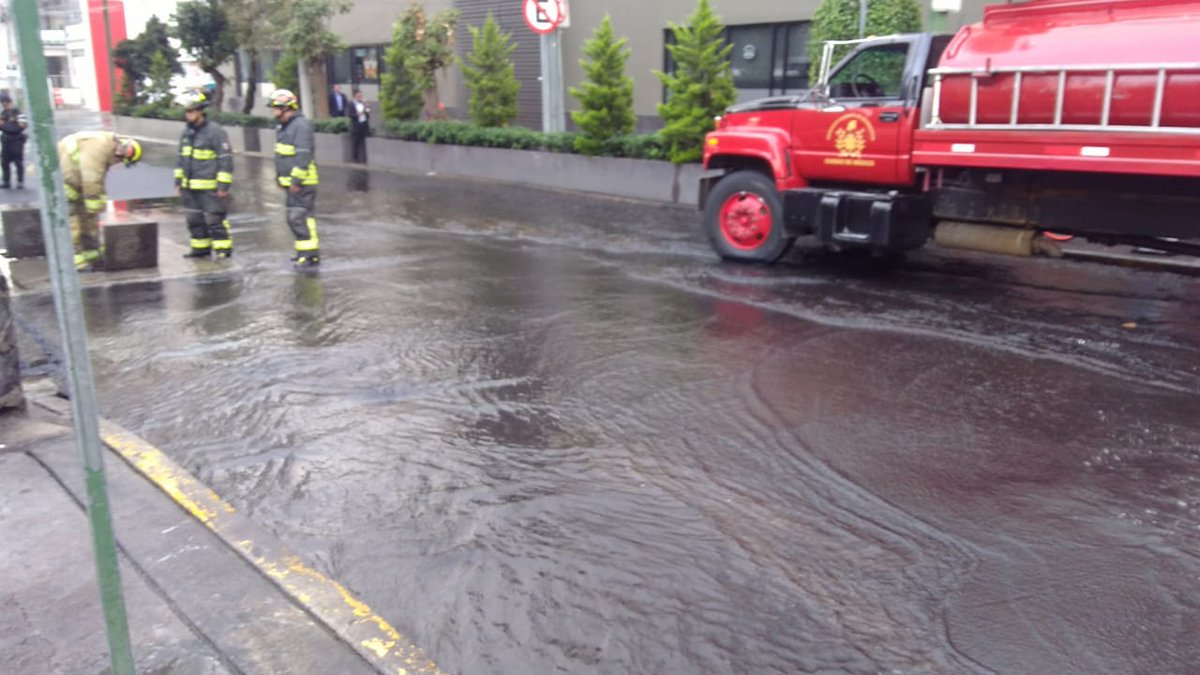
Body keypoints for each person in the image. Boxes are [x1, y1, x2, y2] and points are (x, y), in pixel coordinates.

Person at [56, 131, 142, 270]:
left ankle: (92, 253)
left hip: (75, 179)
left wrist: (95, 206)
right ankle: (74, 260)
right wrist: (94, 206)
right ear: (121, 152)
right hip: (62, 181)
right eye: (121, 159)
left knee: (88, 218)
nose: (118, 162)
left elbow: (96, 180)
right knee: (73, 221)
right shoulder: (100, 147)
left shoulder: (107, 146)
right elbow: (92, 178)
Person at [175, 91, 234, 259]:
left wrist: (223, 187)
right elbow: (181, 159)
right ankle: (200, 249)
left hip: (210, 187)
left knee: (214, 220)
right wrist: (178, 182)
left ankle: (223, 251)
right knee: (194, 220)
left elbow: (225, 159)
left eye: (191, 111)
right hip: (189, 188)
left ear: (200, 111)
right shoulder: (186, 133)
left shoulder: (215, 132)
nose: (188, 115)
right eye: (186, 111)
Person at [268, 89, 320, 267]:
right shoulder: (284, 126)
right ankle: (303, 252)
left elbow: (303, 155)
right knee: (297, 218)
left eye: (276, 108)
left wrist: (296, 180)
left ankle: (309, 255)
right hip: (292, 182)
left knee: (299, 217)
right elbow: (282, 156)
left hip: (303, 182)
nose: (273, 111)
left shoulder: (300, 126)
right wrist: (280, 177)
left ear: (286, 108)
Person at [0, 94, 26, 189]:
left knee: (18, 162)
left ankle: (20, 181)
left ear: (10, 102)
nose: (4, 105)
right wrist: (7, 126)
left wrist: (4, 125)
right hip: (6, 140)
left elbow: (20, 127)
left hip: (17, 140)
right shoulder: (3, 113)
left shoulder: (19, 113)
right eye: (2, 103)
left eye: (5, 103)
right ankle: (6, 181)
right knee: (4, 162)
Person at [349, 90, 370, 163]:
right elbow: (350, 115)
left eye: (361, 96)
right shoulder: (351, 104)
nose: (360, 97)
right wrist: (357, 114)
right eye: (359, 96)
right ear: (355, 96)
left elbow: (368, 113)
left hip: (363, 124)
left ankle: (364, 158)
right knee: (356, 142)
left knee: (363, 142)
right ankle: (355, 158)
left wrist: (367, 108)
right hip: (356, 126)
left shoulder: (363, 103)